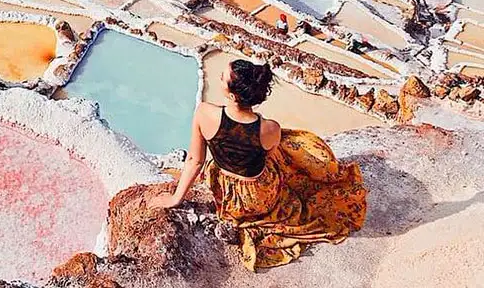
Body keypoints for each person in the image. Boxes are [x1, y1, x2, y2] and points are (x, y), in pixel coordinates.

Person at [150, 59, 366, 270]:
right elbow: (269, 156)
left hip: (228, 198)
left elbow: (195, 161)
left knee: (218, 164)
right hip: (261, 197)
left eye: (222, 77)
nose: (219, 78)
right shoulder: (270, 128)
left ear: (232, 94)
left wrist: (175, 198)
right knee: (288, 148)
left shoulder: (204, 112)